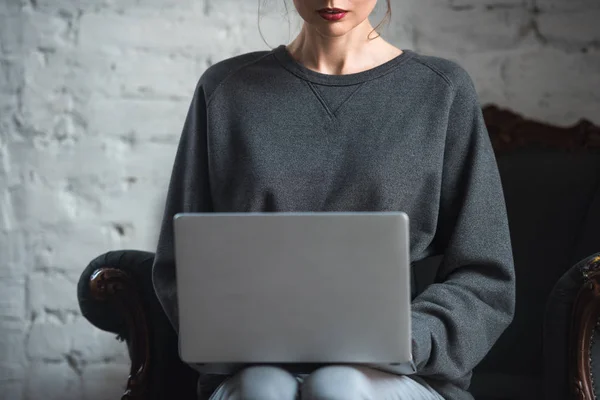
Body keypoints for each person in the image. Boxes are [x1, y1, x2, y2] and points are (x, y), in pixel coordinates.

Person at [152, 0, 516, 399]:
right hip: (251, 367)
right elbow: (180, 264)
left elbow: (485, 274)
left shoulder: (441, 90)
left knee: (337, 387)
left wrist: (408, 338)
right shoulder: (225, 89)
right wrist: (227, 338)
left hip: (398, 373)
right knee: (263, 389)